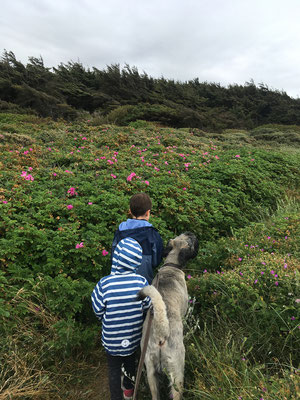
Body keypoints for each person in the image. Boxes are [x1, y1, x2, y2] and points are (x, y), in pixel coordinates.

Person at [91, 237, 151, 400]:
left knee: (114, 368)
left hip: (111, 339)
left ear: (116, 258)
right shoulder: (141, 283)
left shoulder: (104, 284)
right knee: (130, 364)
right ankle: (129, 392)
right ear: (137, 261)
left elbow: (97, 310)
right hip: (132, 338)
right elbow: (147, 307)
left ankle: (116, 397)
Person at [111, 193, 163, 284]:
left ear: (130, 211)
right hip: (143, 282)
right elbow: (156, 261)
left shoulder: (120, 231)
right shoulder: (152, 233)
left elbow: (113, 255)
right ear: (148, 212)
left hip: (119, 282)